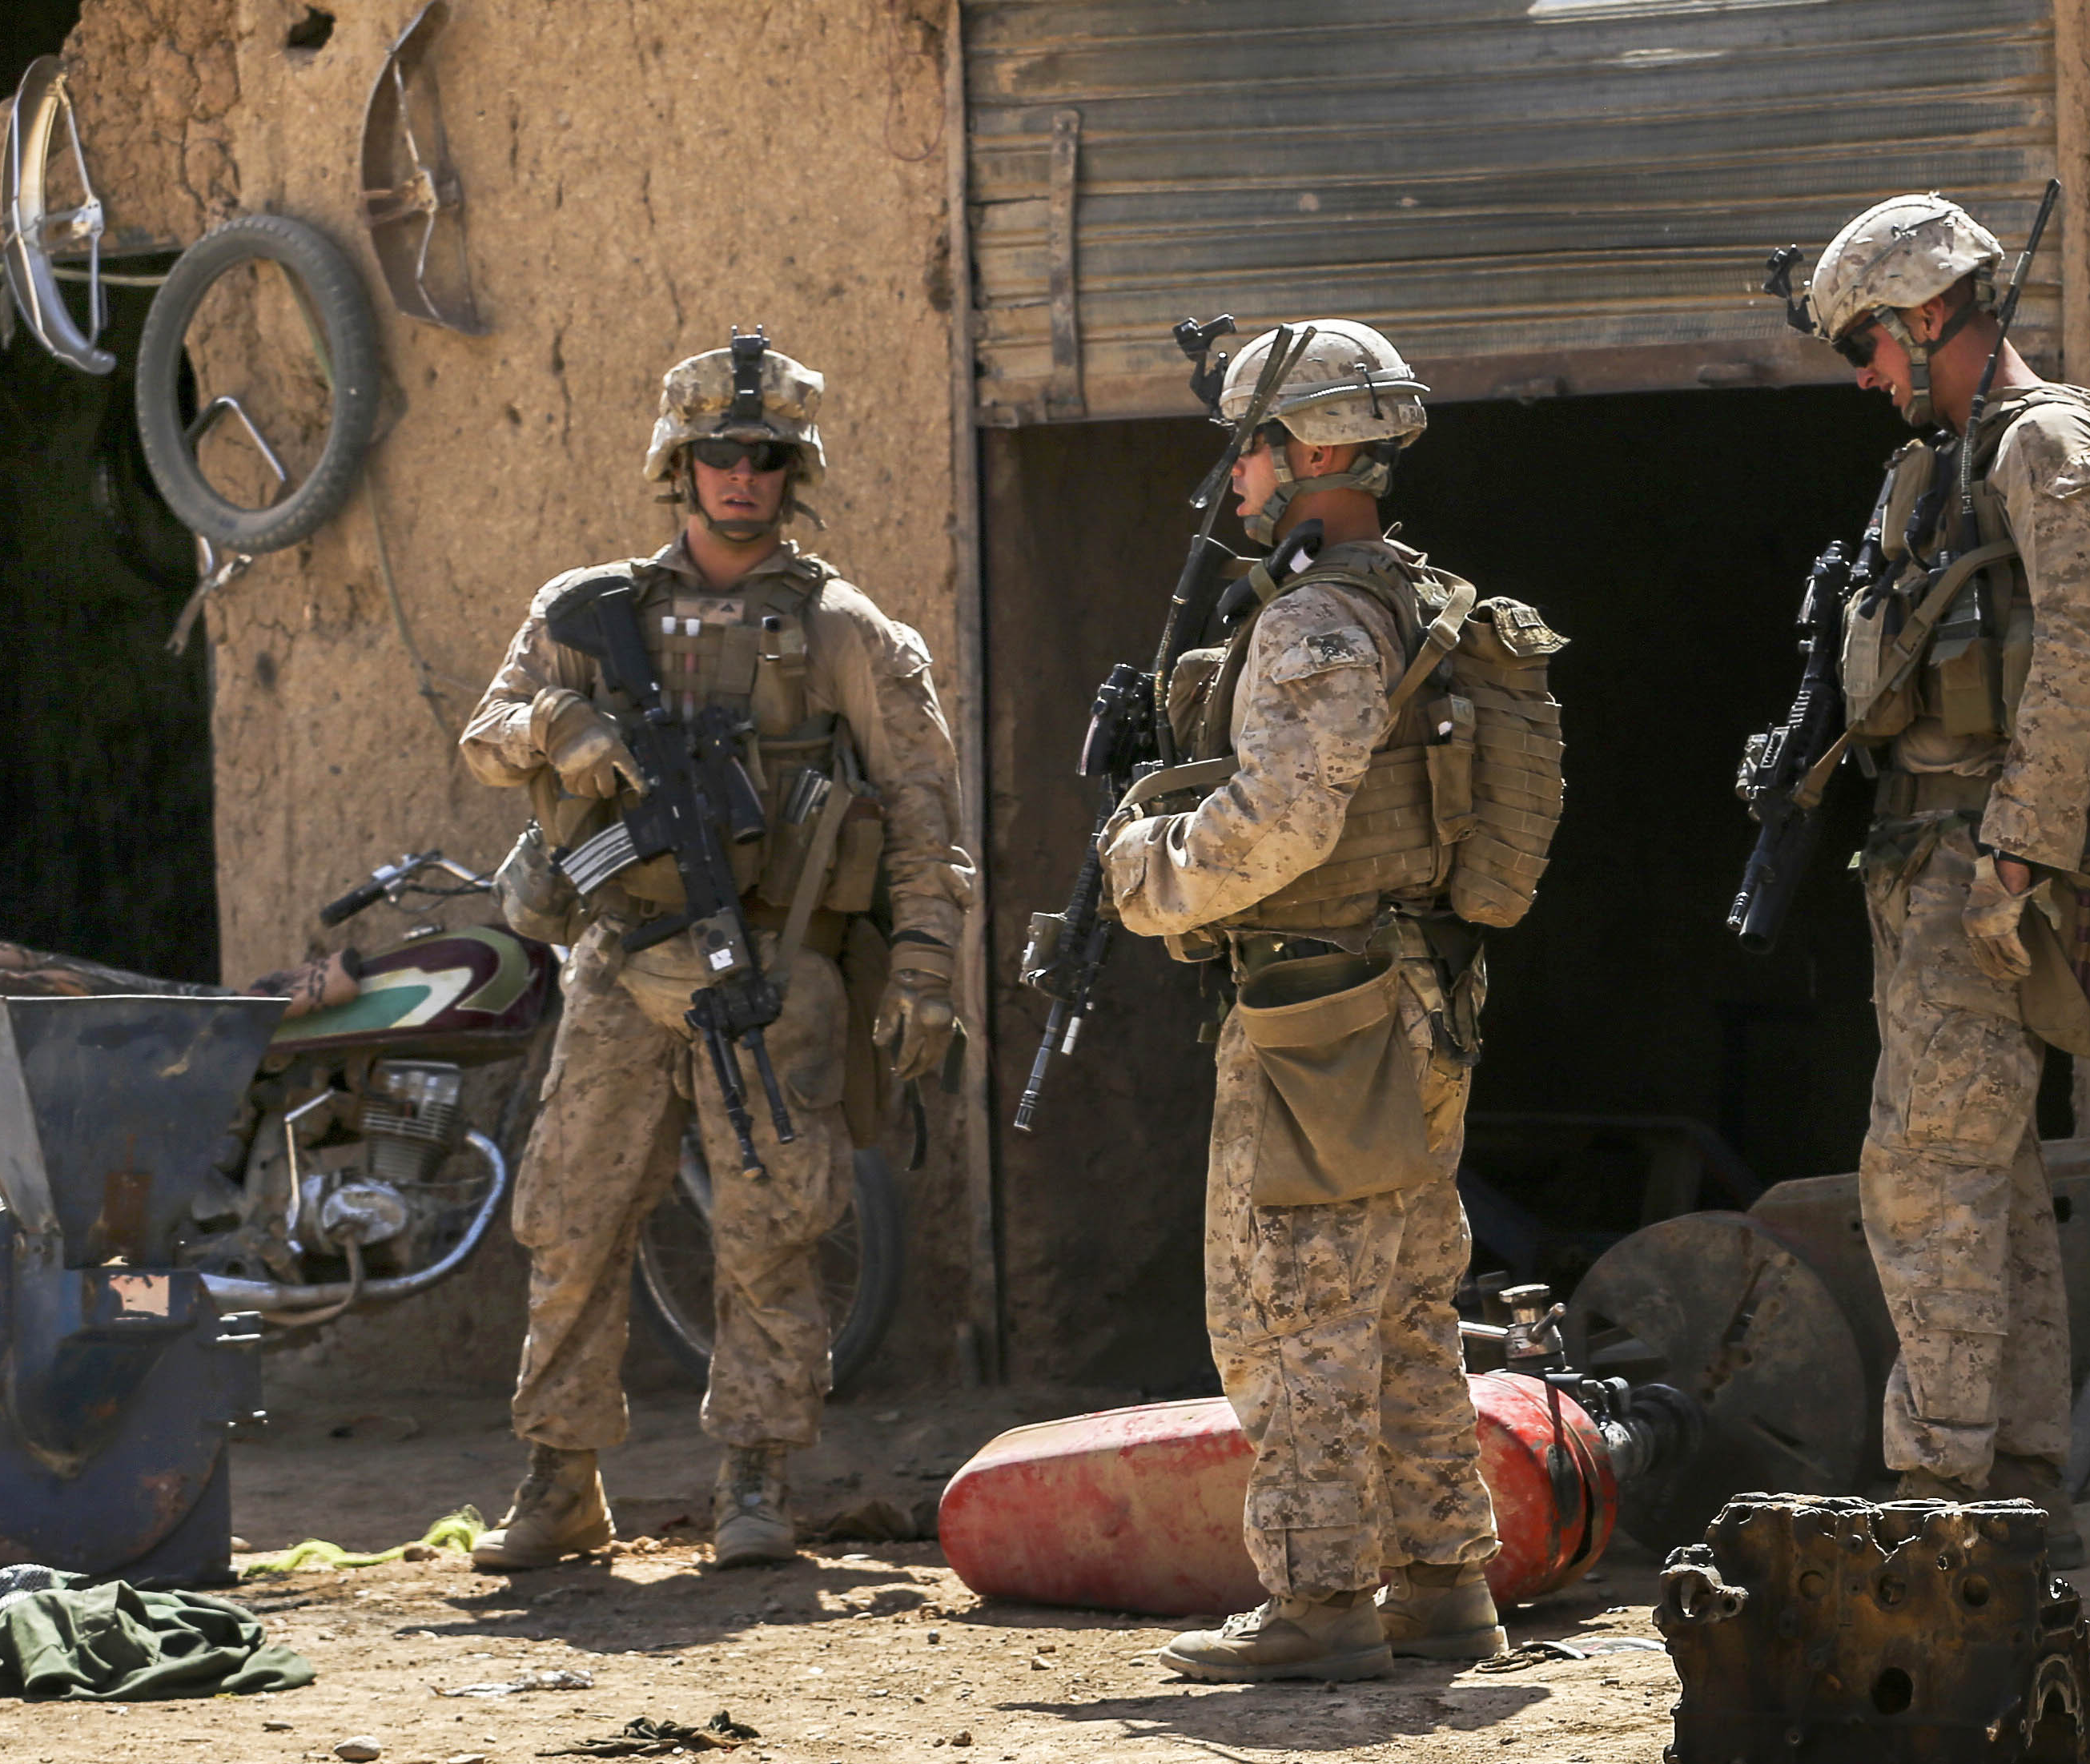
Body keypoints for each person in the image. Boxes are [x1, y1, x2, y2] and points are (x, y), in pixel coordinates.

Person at [457, 332, 973, 1571]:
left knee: (772, 1226)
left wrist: (923, 967)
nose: (740, 476)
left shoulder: (843, 626)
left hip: (773, 967)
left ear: (795, 472)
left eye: (764, 456)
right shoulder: (586, 612)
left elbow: (921, 809)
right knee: (571, 1215)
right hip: (620, 960)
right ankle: (561, 1481)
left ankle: (755, 1476)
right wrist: (557, 724)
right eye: (716, 455)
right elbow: (485, 738)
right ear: (675, 466)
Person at [1100, 317, 1556, 1682]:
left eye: (1247, 450)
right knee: (1412, 1297)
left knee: (1291, 1305)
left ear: (1311, 452)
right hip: (1411, 1001)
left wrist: (1148, 872)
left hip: (1323, 1014)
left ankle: (1319, 1603)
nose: (1234, 480)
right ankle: (1439, 1581)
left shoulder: (1311, 623)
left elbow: (1285, 825)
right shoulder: (1416, 597)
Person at [1803, 192, 2090, 1560]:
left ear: (1934, 313)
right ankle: (2016, 1475)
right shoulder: (1941, 467)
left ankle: (1939, 1497)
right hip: (1931, 851)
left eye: (1872, 342)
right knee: (1991, 1169)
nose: (1866, 374)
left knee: (1925, 1171)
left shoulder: (2049, 444)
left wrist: (2017, 849)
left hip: (1986, 860)